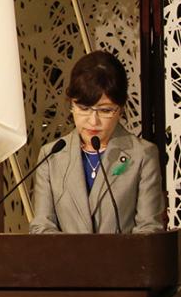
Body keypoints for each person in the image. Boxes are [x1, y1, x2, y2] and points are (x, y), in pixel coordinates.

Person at [30, 50, 164, 234]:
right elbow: (42, 227)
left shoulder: (142, 155)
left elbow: (149, 230)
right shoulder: (52, 155)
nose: (93, 121)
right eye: (84, 108)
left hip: (122, 262)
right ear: (71, 104)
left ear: (121, 108)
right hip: (66, 262)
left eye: (105, 110)